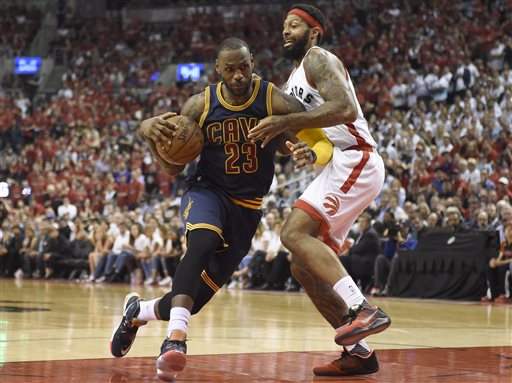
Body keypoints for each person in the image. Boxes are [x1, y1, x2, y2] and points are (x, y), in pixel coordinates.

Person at [110, 37, 332, 382]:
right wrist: (148, 133)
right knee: (200, 244)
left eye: (244, 66)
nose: (239, 75)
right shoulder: (199, 105)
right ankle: (175, 341)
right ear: (218, 69)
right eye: (230, 69)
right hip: (207, 192)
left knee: (192, 301)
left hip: (247, 208)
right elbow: (171, 168)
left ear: (253, 63)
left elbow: (310, 129)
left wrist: (305, 149)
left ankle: (138, 312)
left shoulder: (271, 96)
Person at [248, 4, 391, 376]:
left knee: (292, 232)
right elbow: (318, 141)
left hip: (357, 157)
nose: (286, 31)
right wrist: (301, 148)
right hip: (338, 161)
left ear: (314, 32)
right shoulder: (292, 82)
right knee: (301, 265)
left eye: (294, 25)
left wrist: (285, 121)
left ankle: (363, 309)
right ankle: (359, 353)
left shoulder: (318, 59)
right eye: (283, 26)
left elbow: (343, 108)